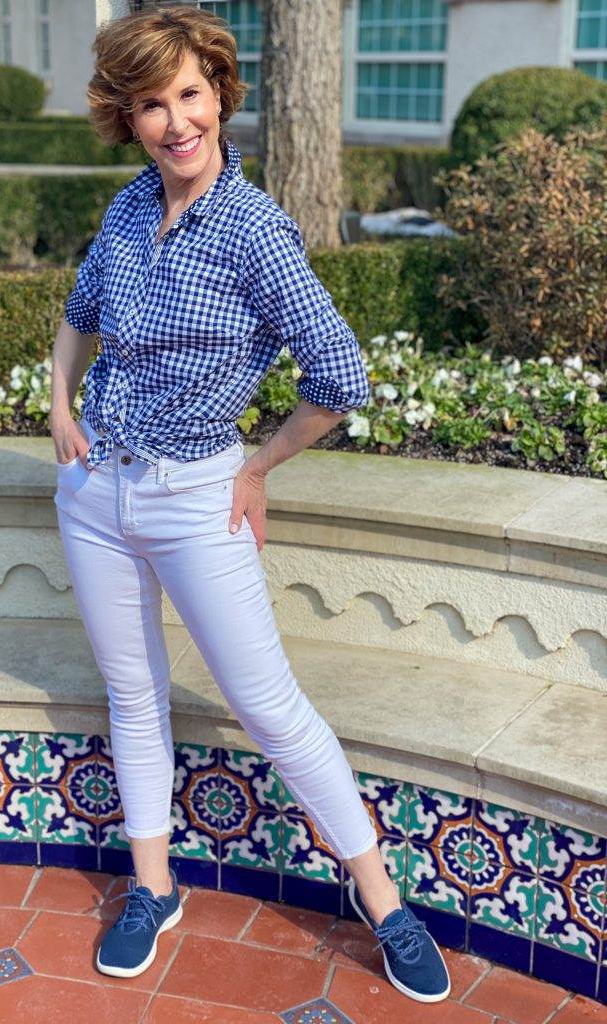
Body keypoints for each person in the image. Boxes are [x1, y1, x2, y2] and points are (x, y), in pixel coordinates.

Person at [49, 3, 450, 1004]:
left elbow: (342, 374)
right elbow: (77, 313)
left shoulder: (258, 232)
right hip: (96, 492)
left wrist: (257, 466)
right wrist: (59, 404)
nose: (175, 121)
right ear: (127, 116)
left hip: (195, 498)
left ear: (219, 95)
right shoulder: (129, 210)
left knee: (269, 706)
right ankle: (153, 887)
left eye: (189, 94)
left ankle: (383, 900)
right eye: (151, 103)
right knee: (132, 694)